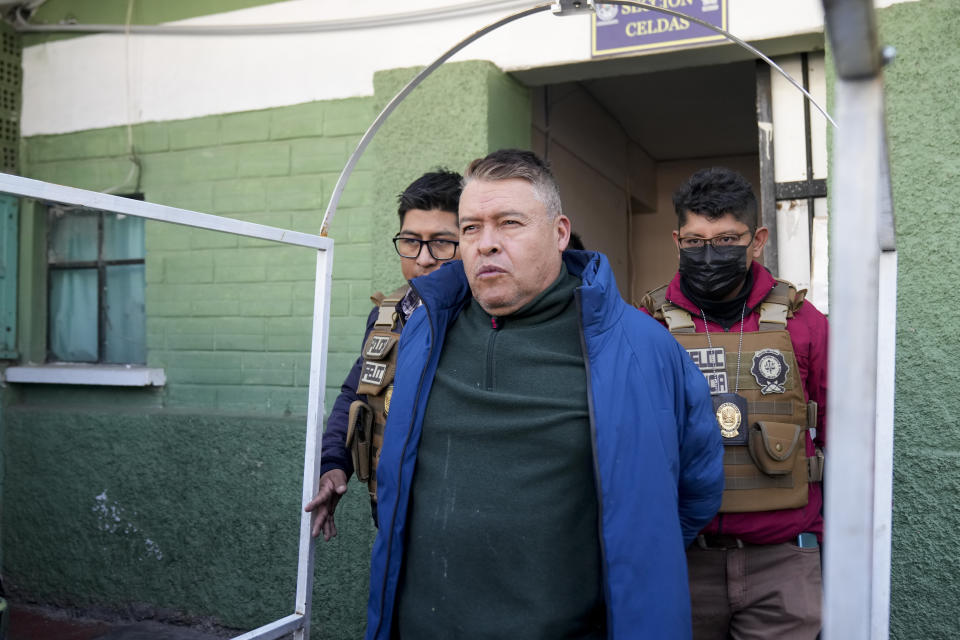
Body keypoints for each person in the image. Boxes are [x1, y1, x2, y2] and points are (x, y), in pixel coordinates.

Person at [365, 149, 724, 639]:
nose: (485, 245)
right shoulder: (426, 329)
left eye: (509, 223)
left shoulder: (642, 348)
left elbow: (693, 491)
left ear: (559, 233)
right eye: (470, 228)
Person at [640, 167, 828, 640]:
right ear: (676, 240)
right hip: (681, 561)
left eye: (726, 239)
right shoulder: (645, 325)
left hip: (782, 565)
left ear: (758, 239)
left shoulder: (806, 324)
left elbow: (843, 439)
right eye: (695, 240)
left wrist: (823, 546)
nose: (709, 254)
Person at [305, 169, 462, 541]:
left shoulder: (483, 321)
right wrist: (334, 466)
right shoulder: (388, 314)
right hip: (389, 514)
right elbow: (356, 393)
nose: (423, 259)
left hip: (453, 521)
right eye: (410, 241)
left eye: (441, 243)